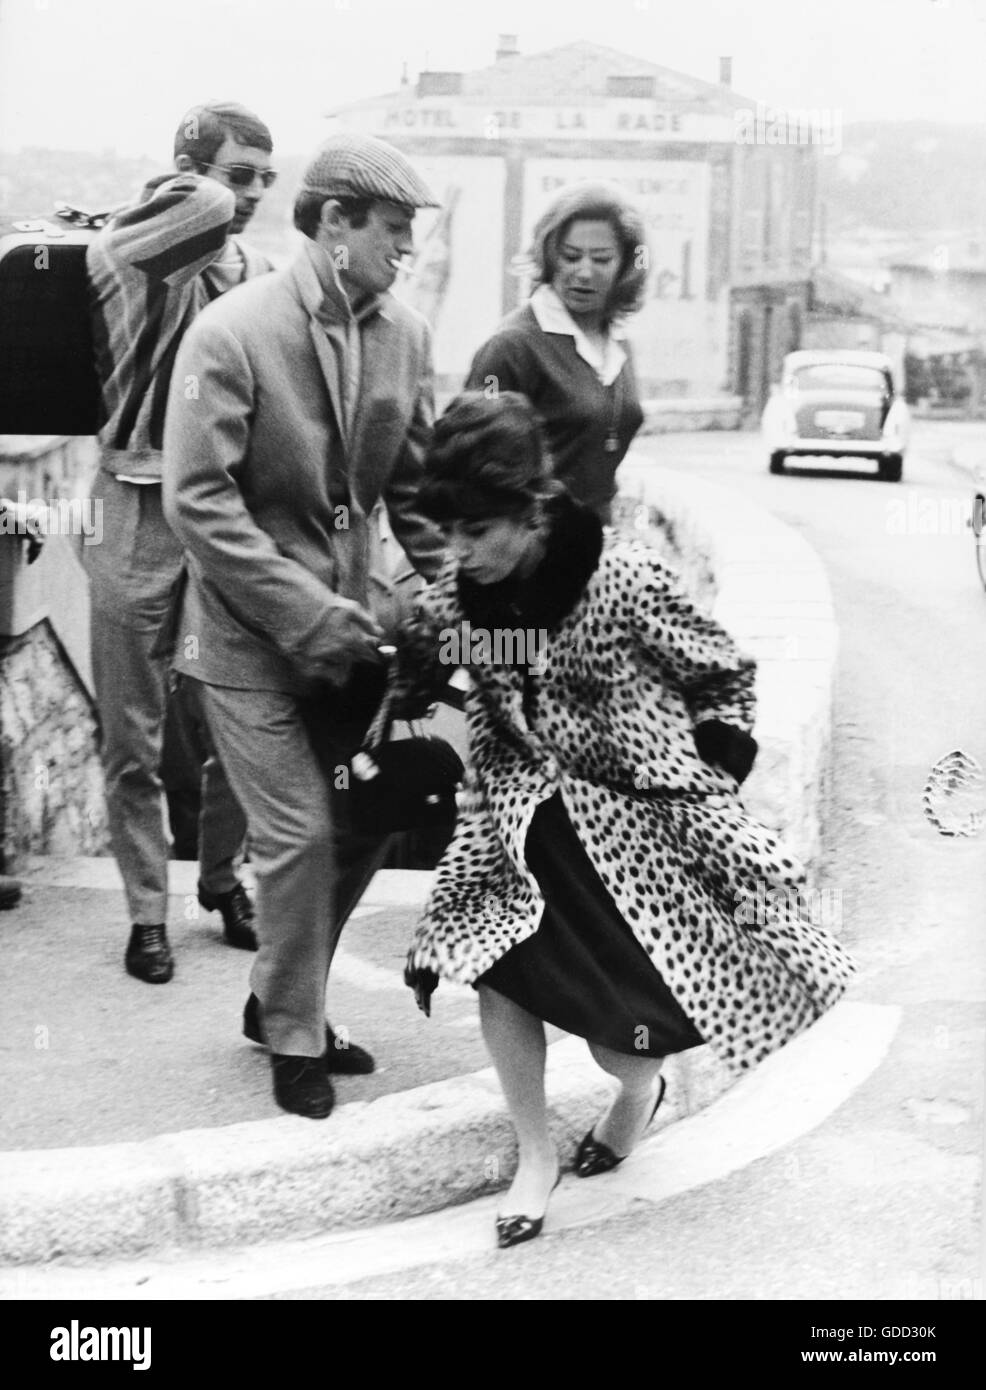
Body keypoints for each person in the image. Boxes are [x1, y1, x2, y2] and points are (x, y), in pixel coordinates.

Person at [396, 391, 857, 1248]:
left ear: (532, 509)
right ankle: (534, 1158)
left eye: (476, 531)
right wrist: (403, 712)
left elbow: (722, 677)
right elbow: (422, 662)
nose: (456, 554)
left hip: (630, 832)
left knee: (627, 1047)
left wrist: (707, 780)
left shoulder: (625, 580)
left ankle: (634, 1093)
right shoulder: (461, 600)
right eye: (447, 532)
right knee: (494, 967)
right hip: (514, 820)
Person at [162, 133, 446, 1119]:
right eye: (391, 233)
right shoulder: (231, 333)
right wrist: (306, 610)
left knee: (363, 826)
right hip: (244, 641)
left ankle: (272, 997)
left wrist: (453, 595)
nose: (402, 254)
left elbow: (415, 496)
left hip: (348, 648)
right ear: (331, 224)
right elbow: (197, 504)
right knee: (292, 834)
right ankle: (294, 1033)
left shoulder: (406, 337)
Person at [86, 101, 278, 984]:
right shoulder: (128, 248)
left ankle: (224, 880)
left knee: (241, 713)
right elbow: (198, 210)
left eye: (265, 182)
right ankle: (145, 913)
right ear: (189, 172)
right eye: (239, 176)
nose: (250, 198)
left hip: (224, 515)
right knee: (134, 731)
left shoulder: (255, 274)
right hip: (134, 506)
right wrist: (206, 180)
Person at [464, 182, 647, 524]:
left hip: (594, 541)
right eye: (571, 256)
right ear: (549, 257)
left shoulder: (619, 343)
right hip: (530, 552)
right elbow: (470, 463)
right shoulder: (512, 346)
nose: (584, 271)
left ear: (625, 265)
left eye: (602, 259)